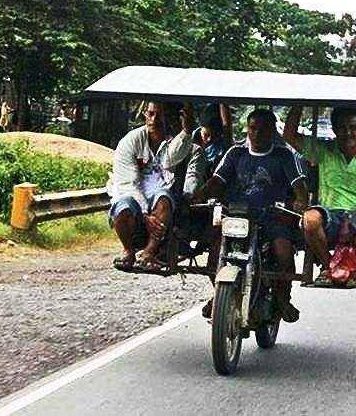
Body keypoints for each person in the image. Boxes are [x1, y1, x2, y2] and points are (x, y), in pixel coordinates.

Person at [196, 109, 308, 323]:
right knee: (214, 251)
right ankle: (219, 293)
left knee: (283, 251)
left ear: (272, 131)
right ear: (247, 129)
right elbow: (216, 182)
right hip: (236, 216)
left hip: (272, 218)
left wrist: (300, 201)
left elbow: (299, 187)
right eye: (253, 128)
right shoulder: (235, 153)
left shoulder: (284, 155)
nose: (257, 134)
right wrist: (197, 196)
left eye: (263, 129)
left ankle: (282, 298)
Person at [283, 106, 356, 289]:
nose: (347, 133)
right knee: (310, 218)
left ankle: (354, 269)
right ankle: (328, 266)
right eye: (341, 128)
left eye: (352, 128)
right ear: (334, 130)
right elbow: (289, 135)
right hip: (329, 217)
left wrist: (350, 218)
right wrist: (298, 103)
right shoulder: (323, 151)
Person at [108, 101, 195, 270]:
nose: (154, 120)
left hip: (159, 199)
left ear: (168, 119)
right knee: (123, 207)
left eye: (160, 115)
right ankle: (128, 251)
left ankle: (149, 252)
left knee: (164, 199)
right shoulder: (130, 141)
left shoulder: (173, 141)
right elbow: (127, 183)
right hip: (132, 196)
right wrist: (145, 213)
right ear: (145, 116)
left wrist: (186, 131)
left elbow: (171, 160)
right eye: (151, 114)